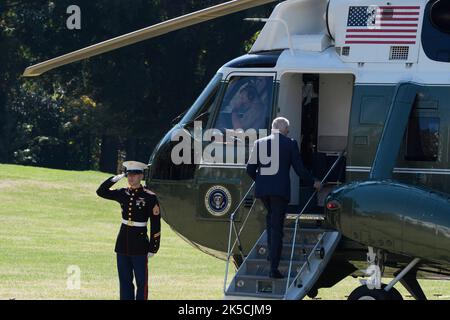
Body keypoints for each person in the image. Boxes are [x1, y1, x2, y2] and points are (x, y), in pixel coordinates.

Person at [246, 117, 321, 279]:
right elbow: (299, 169)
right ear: (283, 128)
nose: (288, 131)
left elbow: (250, 169)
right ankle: (273, 268)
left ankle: (270, 254)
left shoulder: (259, 143)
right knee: (277, 227)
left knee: (270, 220)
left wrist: (261, 182)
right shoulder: (290, 143)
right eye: (287, 128)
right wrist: (312, 181)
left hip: (263, 191)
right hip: (280, 192)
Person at [96, 161, 161, 300]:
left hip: (140, 245)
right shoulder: (122, 193)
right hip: (123, 243)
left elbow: (156, 224)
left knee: (141, 282)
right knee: (125, 281)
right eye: (128, 175)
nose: (131, 178)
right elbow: (100, 192)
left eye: (134, 175)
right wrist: (116, 178)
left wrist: (153, 247)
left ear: (141, 176)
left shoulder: (150, 197)